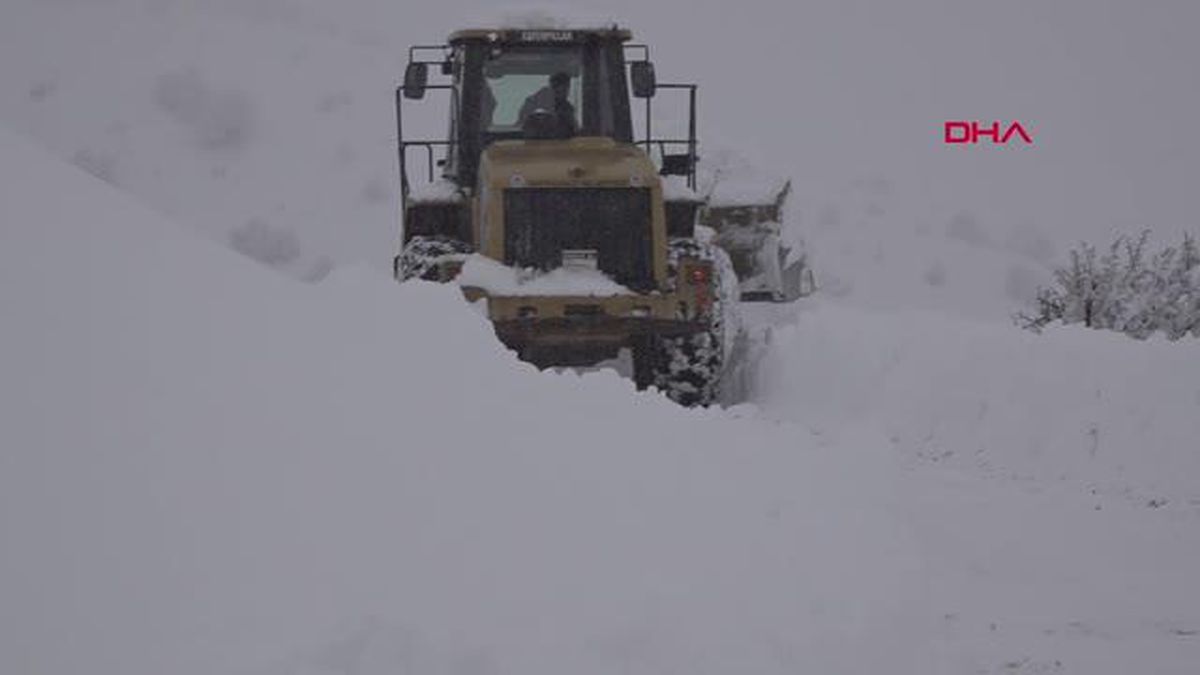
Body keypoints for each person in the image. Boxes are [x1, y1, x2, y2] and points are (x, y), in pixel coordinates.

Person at [518, 71, 578, 138]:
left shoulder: (567, 108)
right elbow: (521, 124)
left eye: (566, 88)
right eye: (556, 87)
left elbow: (574, 131)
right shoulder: (533, 103)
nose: (566, 92)